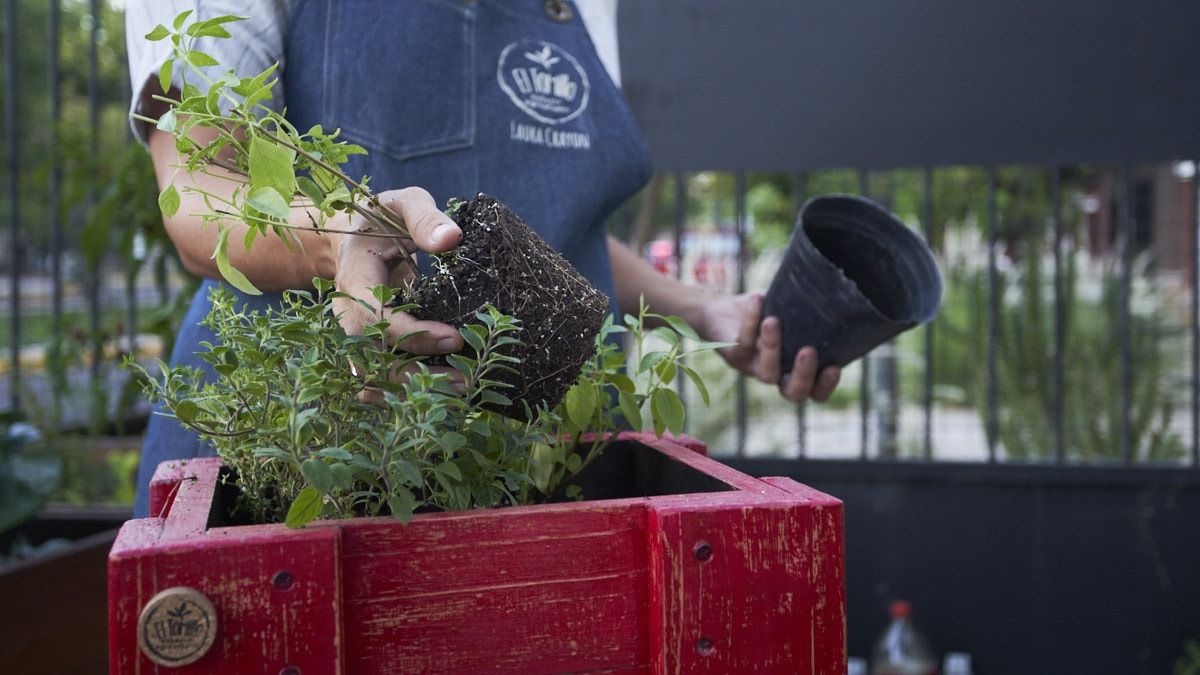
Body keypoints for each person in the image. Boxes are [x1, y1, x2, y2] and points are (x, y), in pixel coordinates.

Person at [125, 0, 841, 517]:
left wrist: (695, 304)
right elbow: (197, 192)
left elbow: (556, 233)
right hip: (312, 460)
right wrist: (340, 233)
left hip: (553, 466)